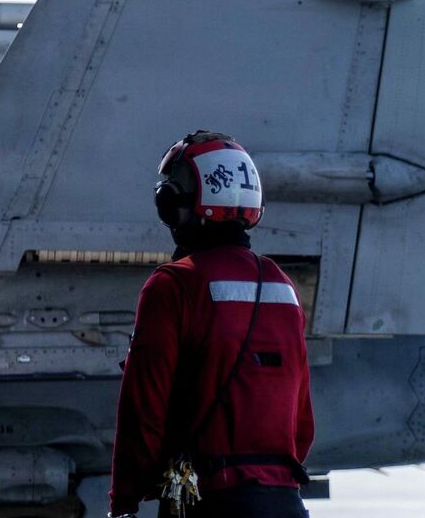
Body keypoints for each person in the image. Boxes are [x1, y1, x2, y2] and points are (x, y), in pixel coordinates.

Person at [109, 131, 313, 518]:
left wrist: (124, 504)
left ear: (172, 206)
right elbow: (301, 421)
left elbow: (143, 410)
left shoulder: (172, 285)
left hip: (209, 502)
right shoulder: (280, 285)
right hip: (285, 503)